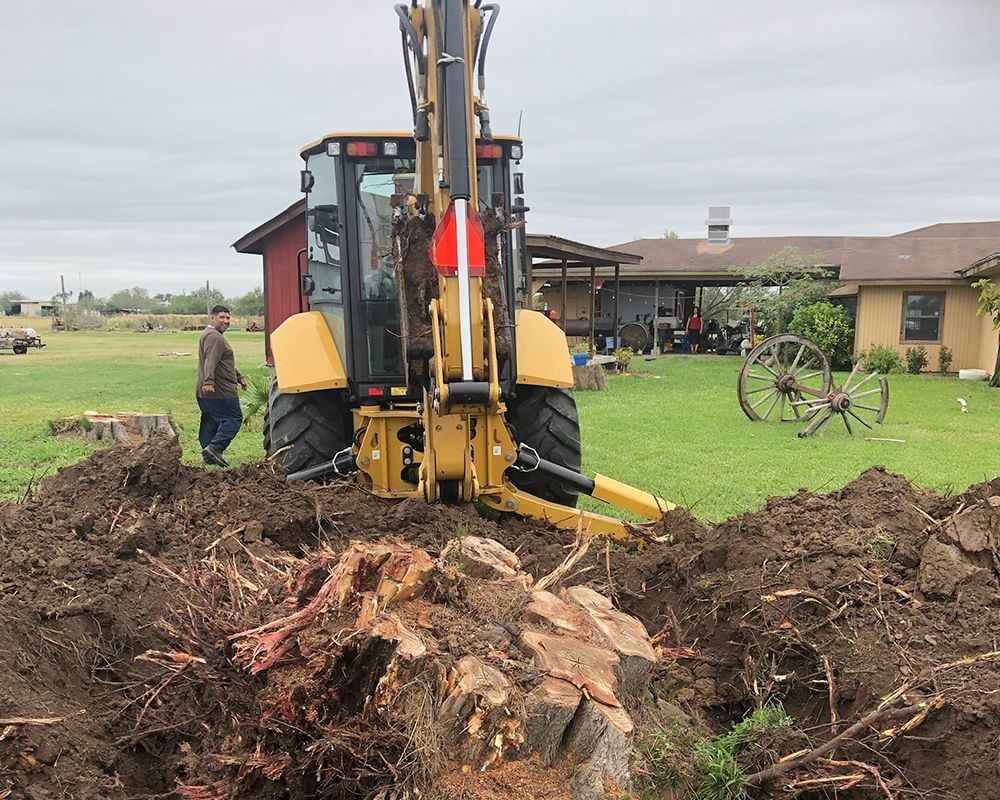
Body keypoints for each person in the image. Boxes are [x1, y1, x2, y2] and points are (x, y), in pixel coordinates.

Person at [197, 305, 247, 467]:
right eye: (221, 318)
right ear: (212, 318)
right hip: (220, 390)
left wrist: (239, 376)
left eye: (227, 318)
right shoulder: (215, 337)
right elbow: (210, 361)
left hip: (205, 391)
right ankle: (215, 448)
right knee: (233, 418)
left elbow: (221, 362)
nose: (226, 321)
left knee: (211, 421)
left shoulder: (210, 334)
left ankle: (208, 457)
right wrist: (209, 381)